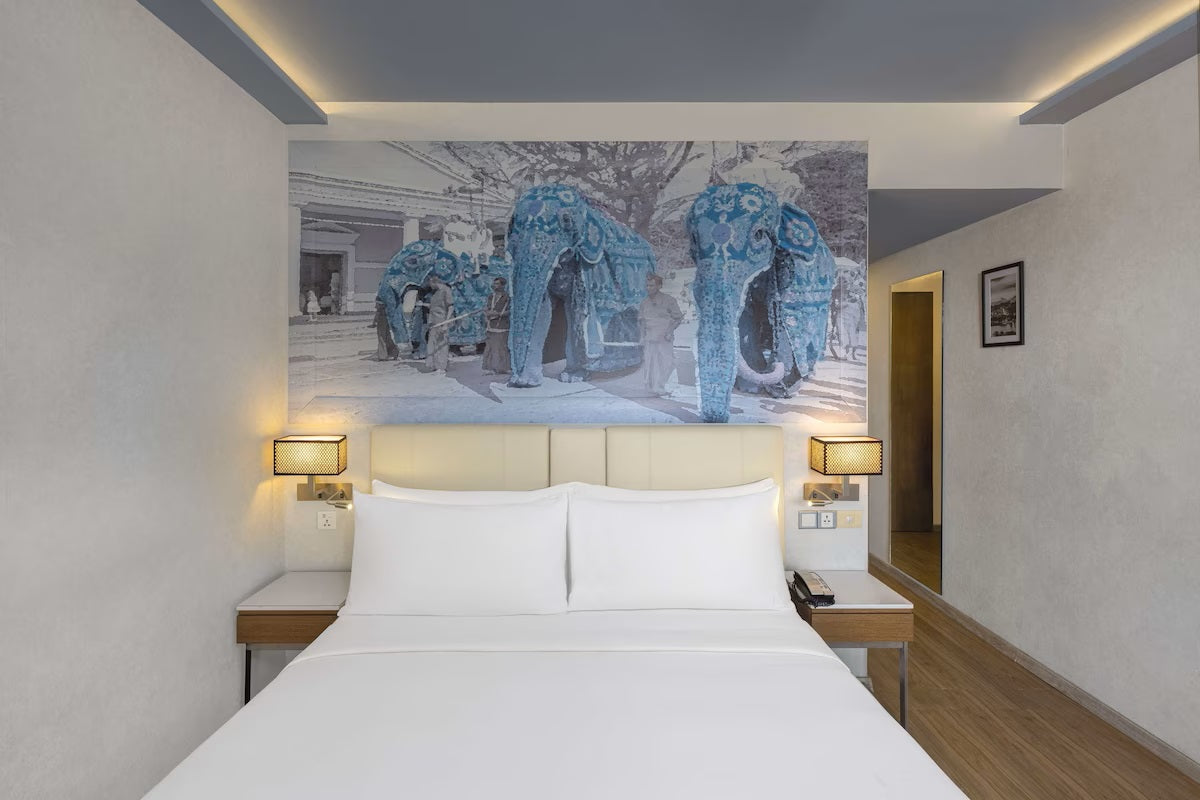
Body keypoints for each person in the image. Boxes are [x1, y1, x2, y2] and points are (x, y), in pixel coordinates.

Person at [638, 274, 683, 397]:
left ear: (659, 286)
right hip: (650, 337)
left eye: (652, 285)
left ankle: (661, 386)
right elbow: (642, 321)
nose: (648, 288)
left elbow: (678, 318)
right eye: (647, 285)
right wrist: (642, 336)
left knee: (668, 363)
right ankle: (653, 389)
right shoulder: (644, 302)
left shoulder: (669, 300)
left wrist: (669, 331)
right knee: (650, 364)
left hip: (664, 337)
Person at [424, 274, 454, 374]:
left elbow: (450, 307)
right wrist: (423, 304)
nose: (430, 286)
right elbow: (435, 306)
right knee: (433, 343)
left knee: (441, 344)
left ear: (434, 282)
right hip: (433, 321)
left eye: (430, 284)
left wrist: (446, 323)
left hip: (442, 320)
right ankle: (434, 364)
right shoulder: (435, 292)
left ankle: (441, 366)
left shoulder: (446, 290)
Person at [481, 276, 511, 375]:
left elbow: (510, 311)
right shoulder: (491, 296)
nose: (495, 286)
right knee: (490, 347)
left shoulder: (507, 297)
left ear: (503, 285)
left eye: (497, 284)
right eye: (494, 284)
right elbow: (487, 308)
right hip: (491, 325)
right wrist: (487, 313)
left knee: (502, 347)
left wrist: (498, 314)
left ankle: (503, 368)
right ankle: (490, 368)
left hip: (502, 325)